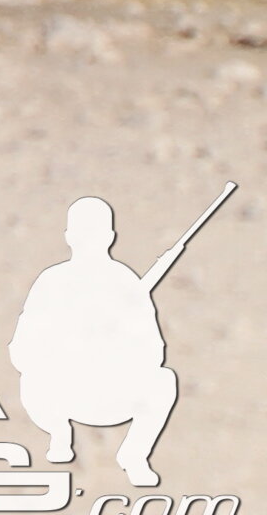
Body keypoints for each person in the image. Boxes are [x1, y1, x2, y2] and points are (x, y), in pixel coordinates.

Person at [14, 194, 190, 491]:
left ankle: (133, 455)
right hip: (64, 392)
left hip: (109, 393)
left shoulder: (124, 284)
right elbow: (23, 349)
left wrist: (114, 342)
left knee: (163, 380)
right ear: (109, 236)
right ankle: (60, 434)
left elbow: (152, 351)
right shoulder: (55, 282)